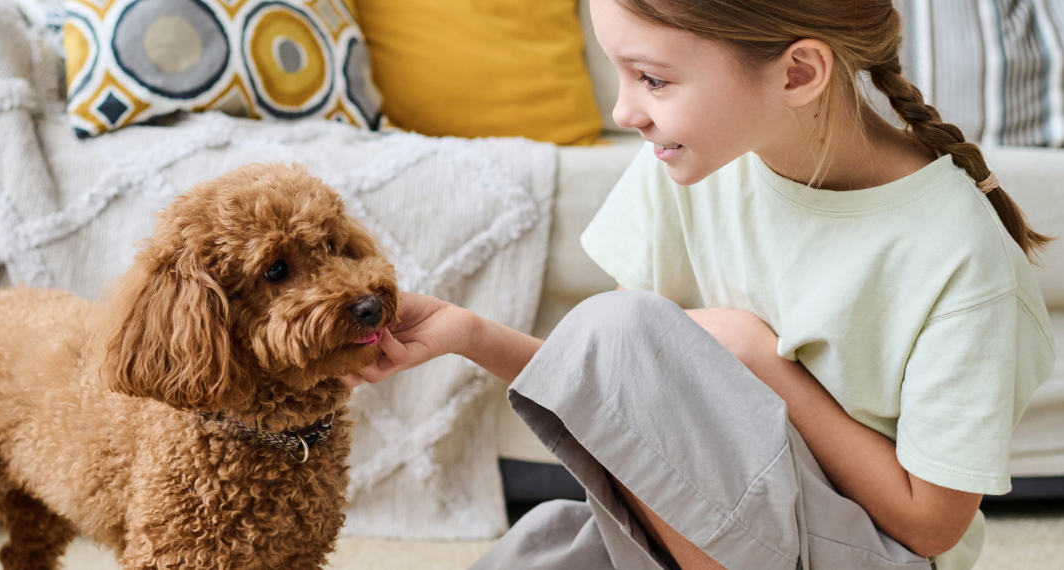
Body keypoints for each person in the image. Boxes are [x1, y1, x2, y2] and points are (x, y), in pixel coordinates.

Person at [340, 0, 1056, 569]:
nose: (624, 112)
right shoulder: (692, 163)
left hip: (869, 554)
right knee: (543, 547)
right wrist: (469, 335)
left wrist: (756, 358)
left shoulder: (960, 259)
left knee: (621, 325)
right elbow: (619, 392)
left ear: (800, 72)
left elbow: (930, 526)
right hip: (704, 525)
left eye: (652, 79)